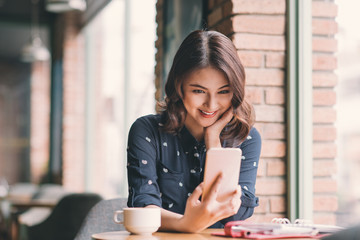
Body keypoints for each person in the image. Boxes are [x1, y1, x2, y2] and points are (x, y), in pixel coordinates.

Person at [126, 30, 261, 233]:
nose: (211, 104)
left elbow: (237, 213)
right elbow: (143, 208)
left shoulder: (247, 138)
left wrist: (214, 145)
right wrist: (186, 224)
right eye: (199, 91)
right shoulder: (147, 131)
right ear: (179, 86)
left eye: (223, 92)